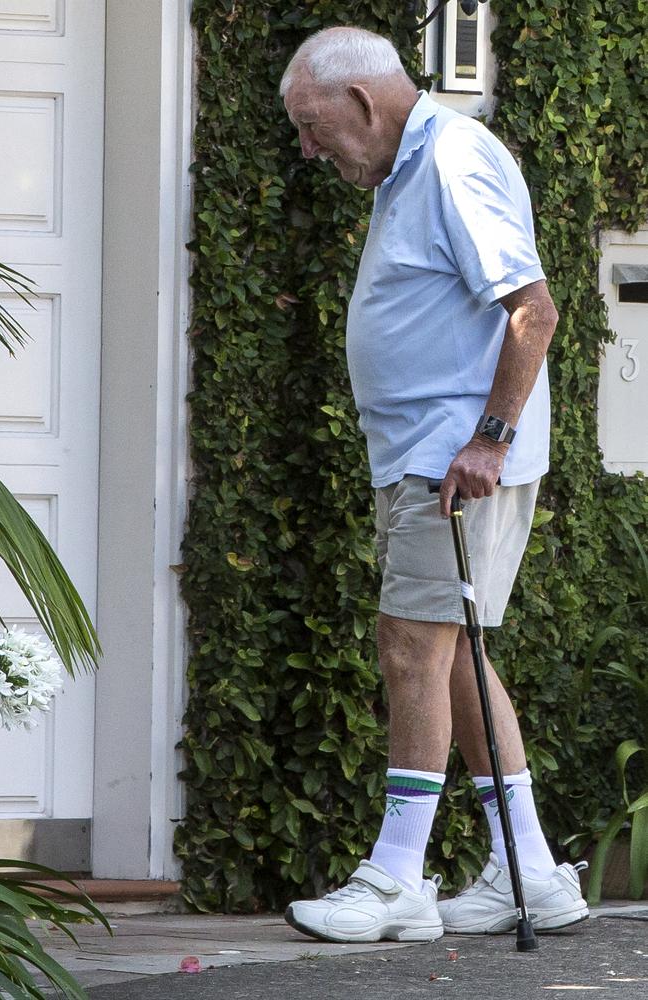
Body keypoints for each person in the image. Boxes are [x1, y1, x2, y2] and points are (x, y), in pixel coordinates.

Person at [279, 25, 588, 944]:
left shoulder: (450, 160)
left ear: (364, 104)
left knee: (411, 648)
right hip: (432, 454)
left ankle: (397, 880)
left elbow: (534, 310)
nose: (306, 148)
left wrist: (488, 440)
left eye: (311, 126)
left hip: (449, 459)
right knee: (453, 651)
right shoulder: (408, 166)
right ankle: (528, 872)